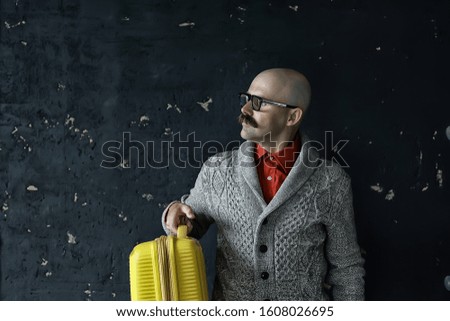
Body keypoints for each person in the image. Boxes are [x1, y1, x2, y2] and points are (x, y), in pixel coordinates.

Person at [162, 68, 365, 300]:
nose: (245, 109)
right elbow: (187, 227)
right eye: (246, 99)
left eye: (258, 102)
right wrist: (174, 213)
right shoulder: (216, 171)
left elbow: (347, 269)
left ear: (292, 117)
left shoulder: (330, 181)